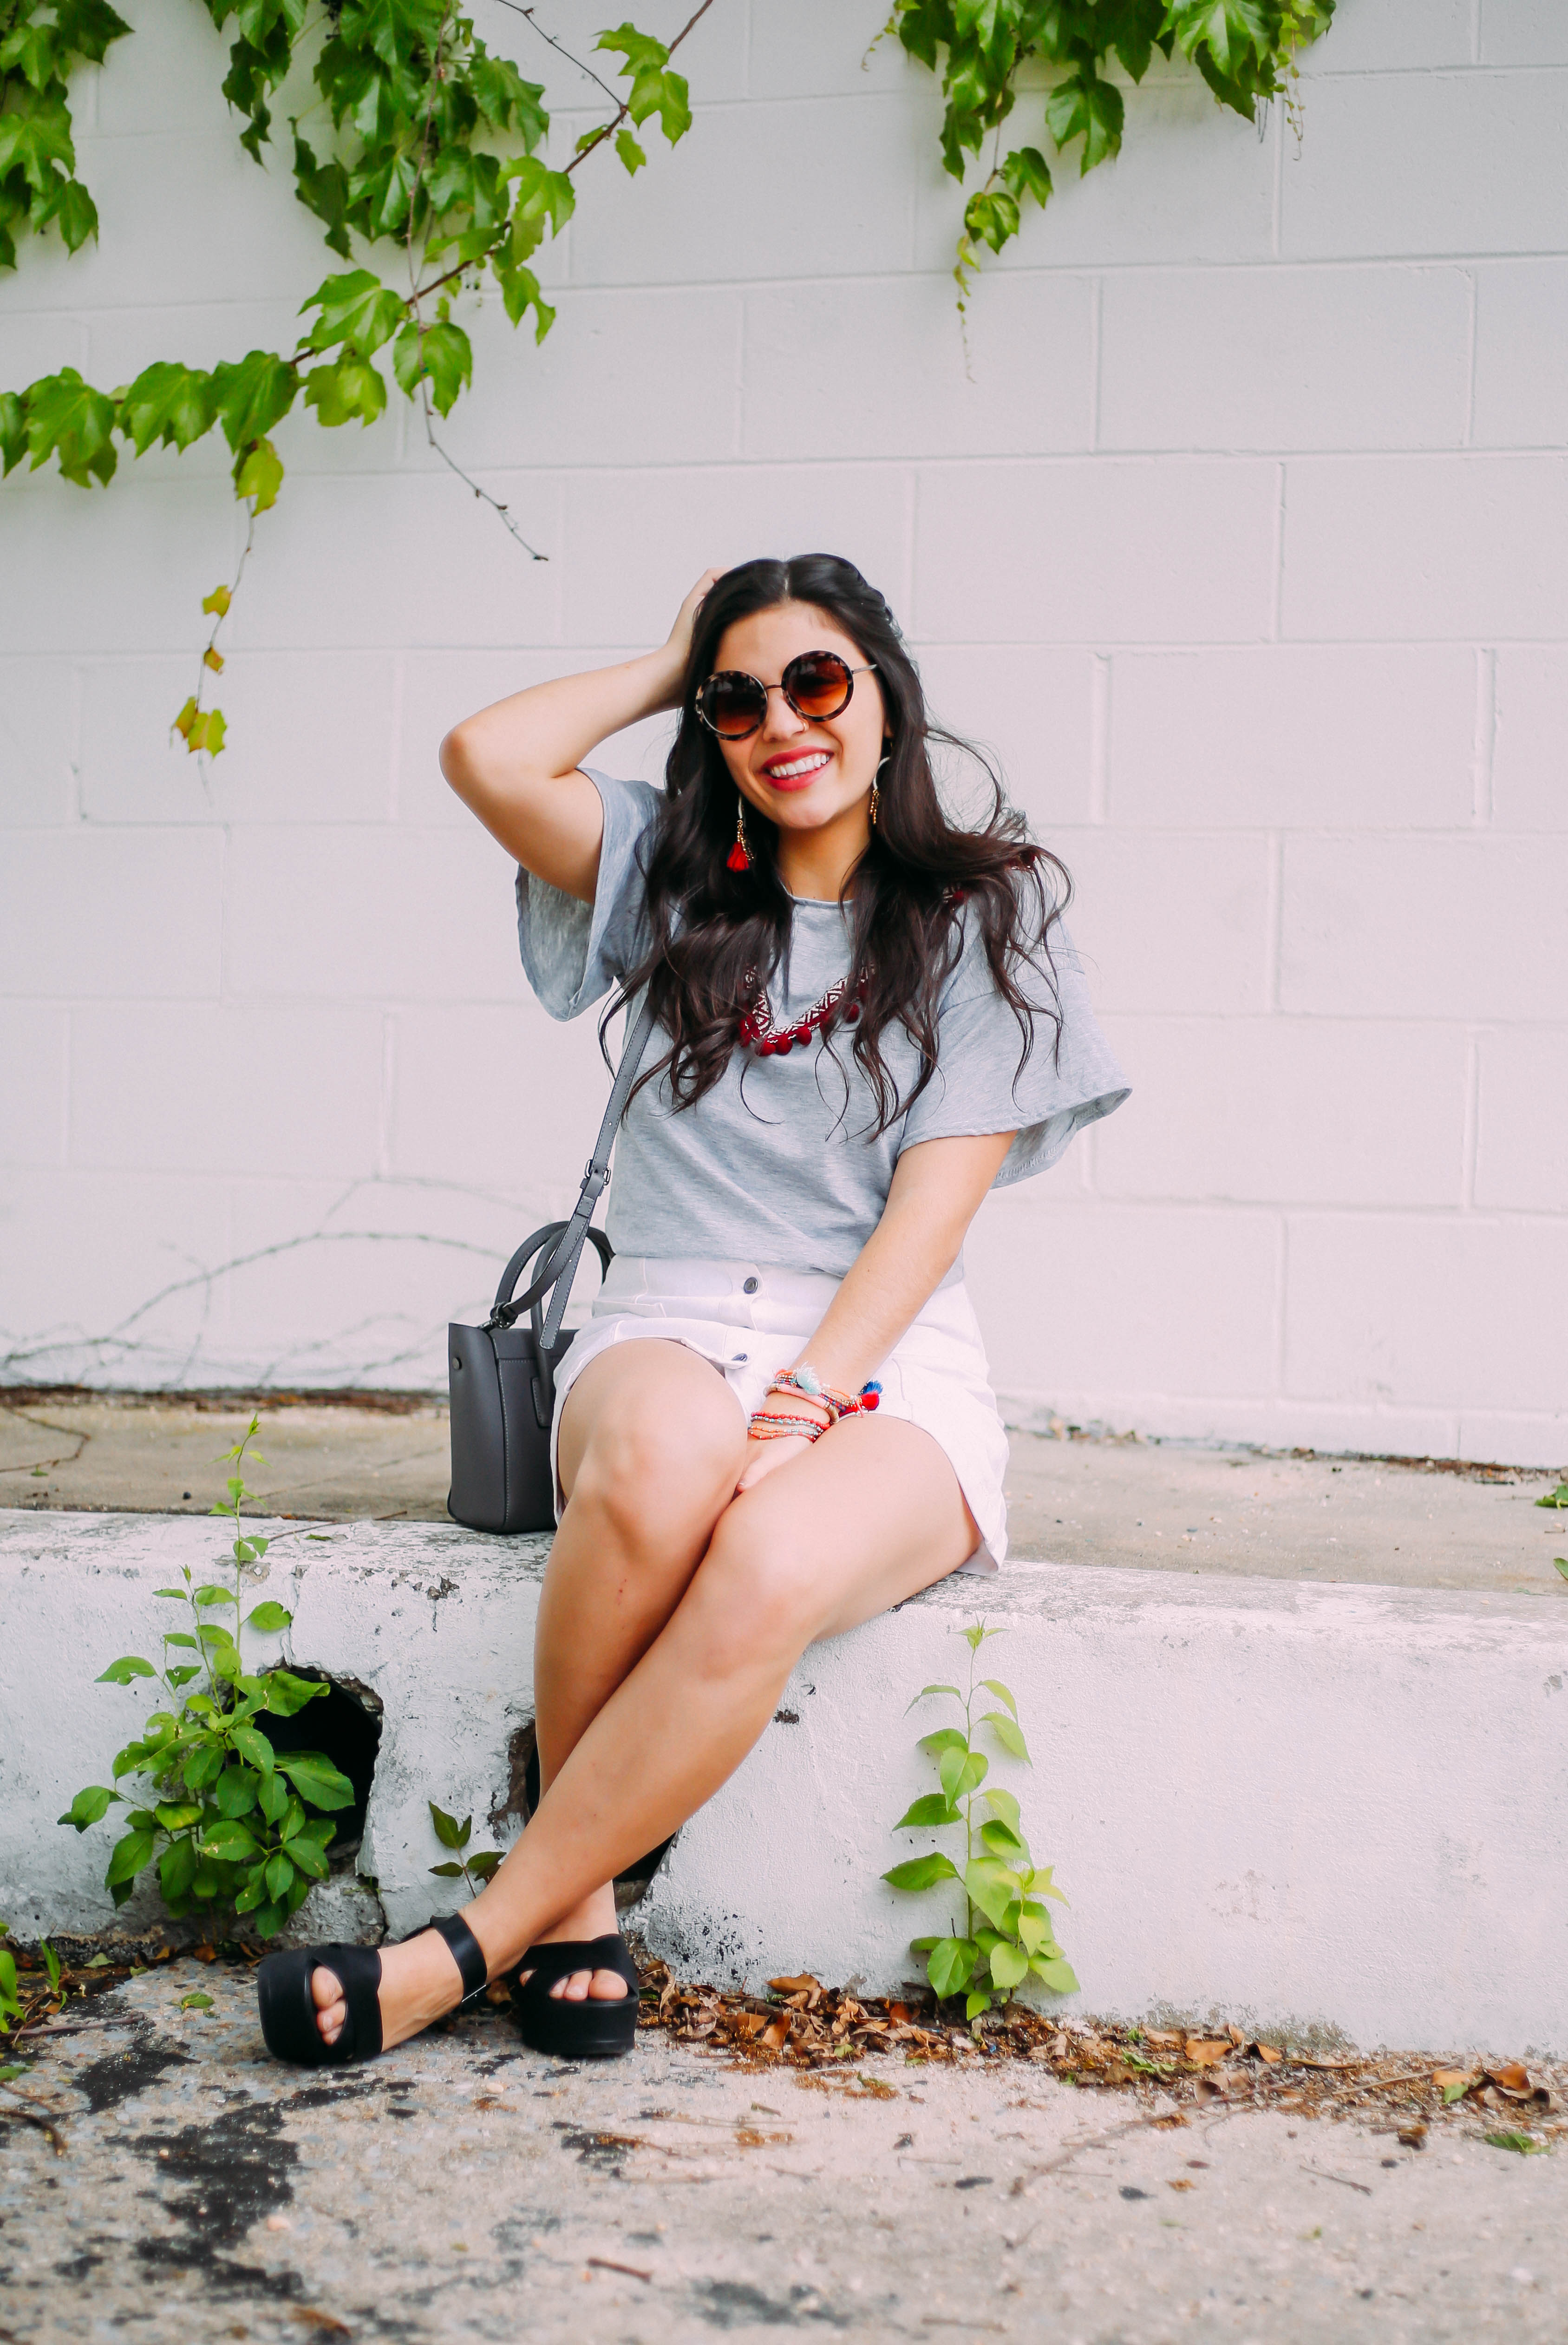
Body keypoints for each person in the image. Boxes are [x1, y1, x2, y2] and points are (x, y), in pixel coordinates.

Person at [256, 552, 1128, 2067]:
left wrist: (803, 1407)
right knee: (664, 1465)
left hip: (883, 1358)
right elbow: (486, 755)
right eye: (740, 697)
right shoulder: (662, 865)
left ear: (883, 698)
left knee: (769, 1545)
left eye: (816, 680)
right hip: (663, 1319)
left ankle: (465, 1948)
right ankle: (575, 1906)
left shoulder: (984, 912)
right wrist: (673, 662)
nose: (782, 719)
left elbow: (933, 1216)